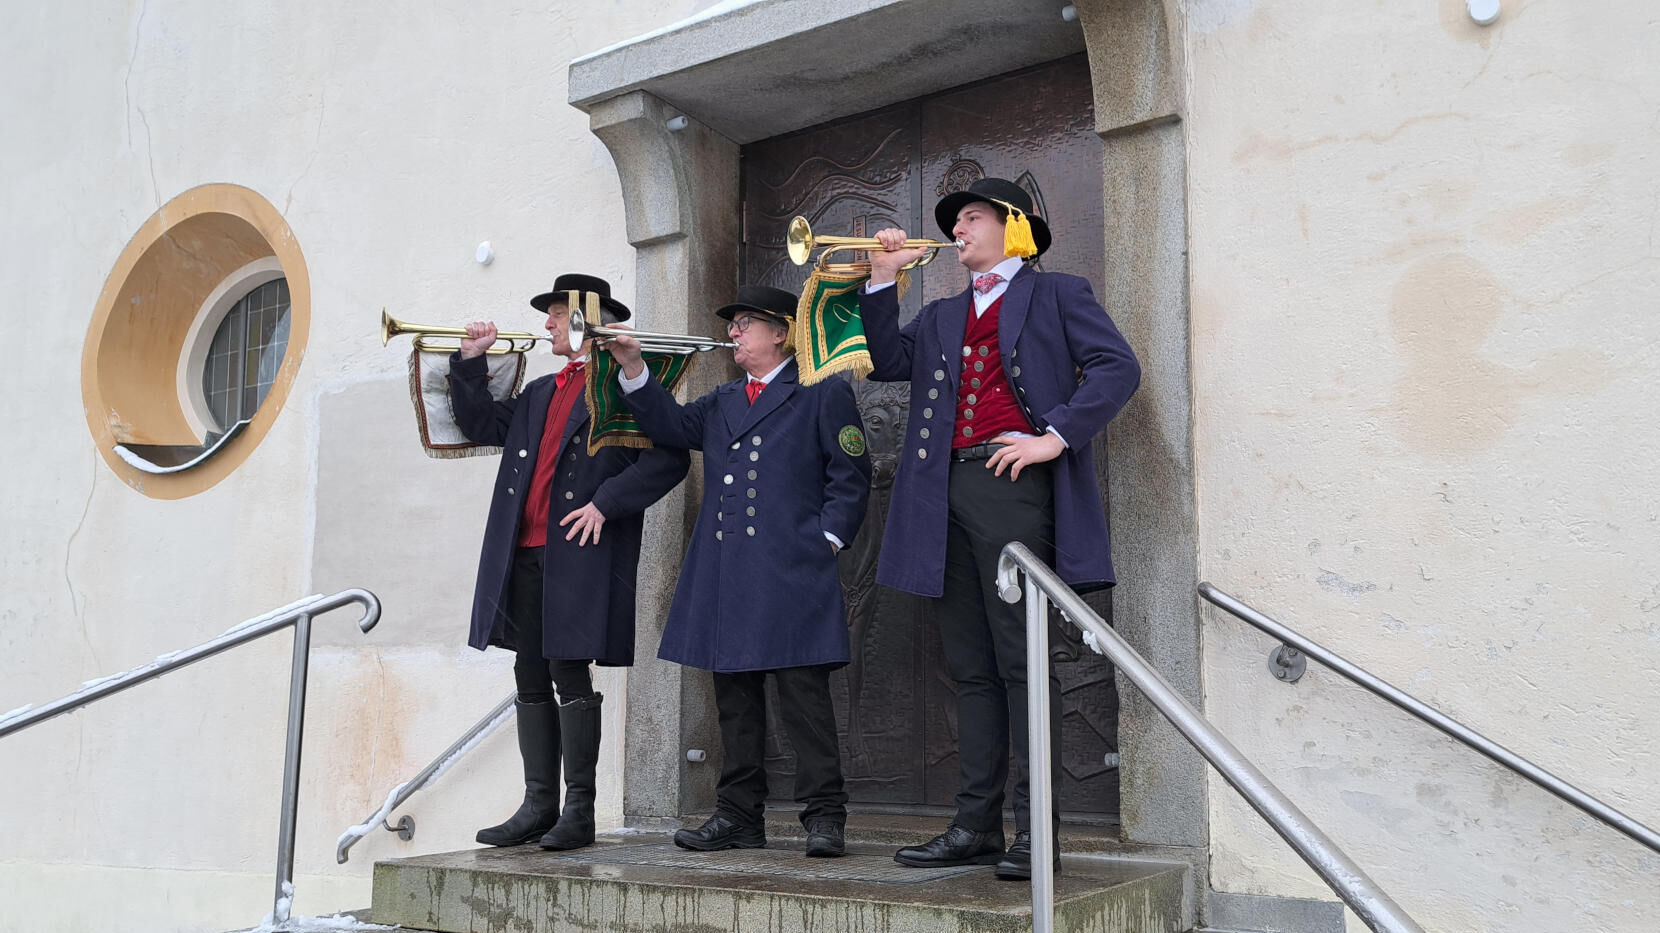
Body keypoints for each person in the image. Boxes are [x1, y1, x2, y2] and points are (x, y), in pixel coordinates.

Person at [860, 178, 1141, 880]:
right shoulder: (943, 312)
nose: (958, 229)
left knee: (1021, 663)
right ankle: (974, 826)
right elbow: (891, 364)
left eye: (973, 217)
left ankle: (1034, 832)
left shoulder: (1058, 293)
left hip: (1013, 485)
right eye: (955, 221)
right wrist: (883, 280)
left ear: (1012, 226)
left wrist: (1054, 436)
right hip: (940, 491)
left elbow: (1118, 367)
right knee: (971, 667)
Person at [607, 284, 872, 859]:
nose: (733, 332)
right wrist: (633, 369)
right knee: (736, 701)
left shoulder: (822, 392)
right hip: (727, 574)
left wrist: (826, 539)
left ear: (781, 333)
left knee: (804, 700)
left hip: (793, 571)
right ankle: (738, 817)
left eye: (745, 323)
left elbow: (850, 472)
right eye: (732, 324)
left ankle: (825, 817)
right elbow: (672, 429)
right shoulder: (724, 399)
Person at [450, 273, 689, 851]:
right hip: (526, 551)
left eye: (558, 314)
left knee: (568, 672)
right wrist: (469, 361)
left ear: (585, 319)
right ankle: (539, 805)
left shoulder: (619, 385)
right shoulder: (540, 391)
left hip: (578, 554)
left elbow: (670, 459)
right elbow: (481, 425)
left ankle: (579, 809)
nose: (549, 324)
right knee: (528, 674)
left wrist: (605, 505)